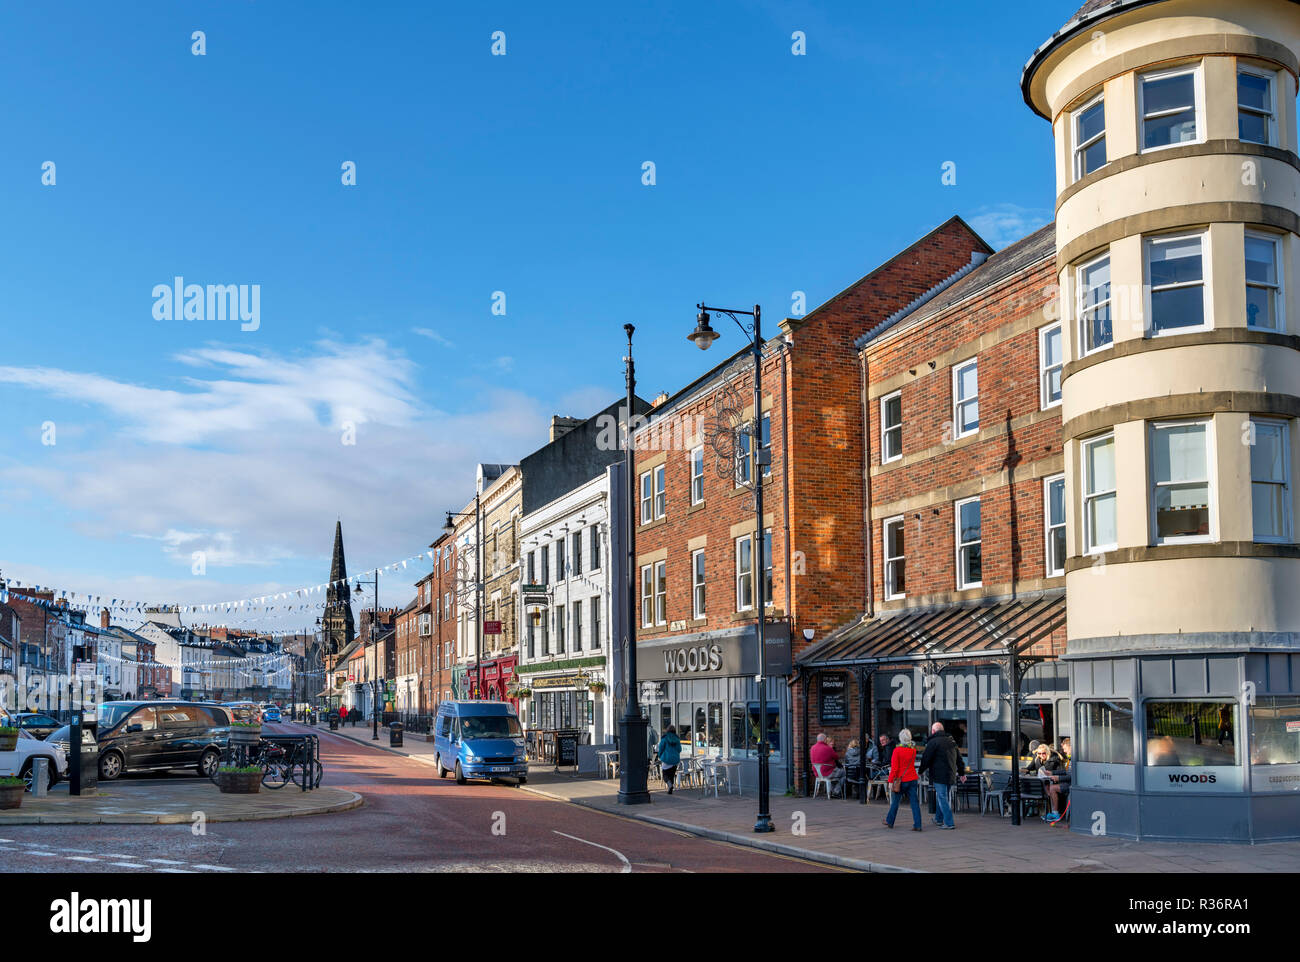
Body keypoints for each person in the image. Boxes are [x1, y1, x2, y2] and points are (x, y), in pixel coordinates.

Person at [918, 722, 966, 830]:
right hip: (951, 774)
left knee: (942, 797)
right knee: (942, 796)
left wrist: (920, 771)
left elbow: (926, 758)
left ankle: (949, 823)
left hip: (939, 775)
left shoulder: (933, 742)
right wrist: (962, 773)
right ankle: (938, 819)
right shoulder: (951, 741)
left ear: (933, 731)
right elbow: (959, 758)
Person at [882, 728, 922, 831]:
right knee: (914, 803)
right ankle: (918, 824)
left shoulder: (897, 750)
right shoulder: (913, 750)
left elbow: (894, 768)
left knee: (895, 802)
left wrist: (890, 781)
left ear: (900, 738)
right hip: (912, 778)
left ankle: (890, 821)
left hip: (901, 780)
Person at [657, 725, 683, 795]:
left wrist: (660, 756)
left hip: (666, 759)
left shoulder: (664, 739)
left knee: (665, 774)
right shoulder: (677, 739)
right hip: (675, 759)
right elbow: (679, 749)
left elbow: (661, 749)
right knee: (672, 774)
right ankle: (670, 789)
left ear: (667, 731)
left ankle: (669, 784)